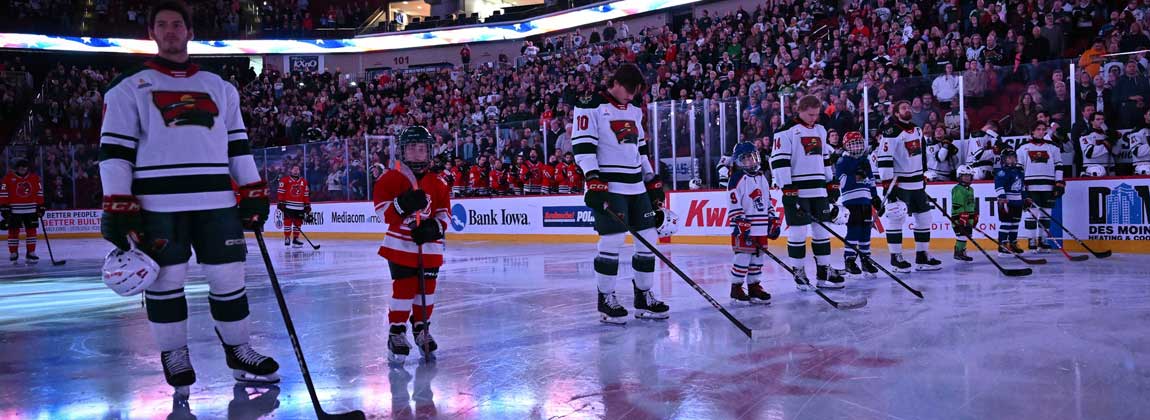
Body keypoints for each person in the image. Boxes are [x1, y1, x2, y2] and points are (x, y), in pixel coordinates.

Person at [98, 1, 277, 394]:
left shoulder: (220, 86)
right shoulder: (128, 87)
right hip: (157, 207)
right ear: (151, 33)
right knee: (166, 281)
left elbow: (238, 146)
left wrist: (253, 190)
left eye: (177, 24)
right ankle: (174, 353)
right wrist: (117, 204)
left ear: (190, 31)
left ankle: (239, 349)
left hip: (217, 203)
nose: (170, 31)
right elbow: (114, 152)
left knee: (229, 276)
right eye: (162, 25)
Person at [572, 63, 669, 324]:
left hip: (636, 185)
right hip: (609, 185)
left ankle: (644, 296)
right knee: (612, 241)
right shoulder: (590, 105)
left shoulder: (635, 110)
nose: (631, 95)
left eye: (635, 91)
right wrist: (592, 178)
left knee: (648, 240)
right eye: (629, 89)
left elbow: (640, 149)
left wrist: (651, 178)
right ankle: (606, 298)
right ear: (615, 82)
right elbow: (582, 147)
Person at [371, 126, 450, 363]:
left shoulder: (438, 181)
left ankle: (421, 329)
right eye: (412, 149)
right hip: (399, 247)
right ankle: (396, 332)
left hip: (430, 248)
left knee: (426, 291)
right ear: (402, 151)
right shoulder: (391, 178)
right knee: (404, 289)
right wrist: (401, 204)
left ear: (429, 152)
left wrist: (433, 228)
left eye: (422, 149)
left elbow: (444, 212)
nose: (417, 154)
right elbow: (382, 211)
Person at [770, 95, 846, 289]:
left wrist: (831, 181)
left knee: (822, 231)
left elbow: (825, 157)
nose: (814, 118)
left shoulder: (820, 130)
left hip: (819, 189)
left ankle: (824, 272)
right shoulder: (785, 132)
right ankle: (799, 272)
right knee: (798, 232)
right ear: (800, 110)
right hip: (797, 190)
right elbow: (779, 162)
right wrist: (787, 187)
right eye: (810, 114)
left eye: (816, 114)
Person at [876, 100, 943, 272]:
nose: (908, 110)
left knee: (925, 218)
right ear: (896, 113)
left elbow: (922, 157)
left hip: (917, 183)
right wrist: (887, 185)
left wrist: (923, 176)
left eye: (908, 107)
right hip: (900, 184)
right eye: (903, 108)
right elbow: (884, 159)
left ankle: (922, 256)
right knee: (897, 219)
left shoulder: (918, 130)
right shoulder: (891, 132)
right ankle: (896, 258)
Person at [726, 141, 779, 304]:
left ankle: (754, 286)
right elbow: (733, 202)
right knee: (743, 257)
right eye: (747, 158)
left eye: (753, 157)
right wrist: (740, 221)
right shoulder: (736, 178)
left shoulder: (762, 177)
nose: (751, 161)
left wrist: (772, 218)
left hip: (761, 226)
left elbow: (768, 201)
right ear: (739, 161)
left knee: (758, 259)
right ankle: (736, 288)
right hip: (744, 227)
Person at [833, 132, 881, 277]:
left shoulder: (865, 161)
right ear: (846, 146)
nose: (857, 147)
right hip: (851, 201)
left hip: (865, 200)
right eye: (853, 144)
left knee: (866, 230)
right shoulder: (843, 161)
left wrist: (875, 197)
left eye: (859, 143)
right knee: (854, 230)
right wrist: (855, 177)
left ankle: (865, 260)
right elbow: (840, 181)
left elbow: (871, 180)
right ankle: (850, 259)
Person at [1015, 122, 1064, 253]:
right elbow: (1019, 169)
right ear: (1032, 131)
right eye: (1038, 129)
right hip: (1031, 186)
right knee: (1032, 214)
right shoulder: (1023, 148)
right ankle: (1031, 240)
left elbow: (1059, 166)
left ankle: (1043, 240)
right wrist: (1021, 187)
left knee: (1046, 215)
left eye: (1043, 129)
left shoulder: (1053, 147)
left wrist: (1059, 183)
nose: (1041, 132)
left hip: (1048, 186)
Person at [2, 159, 45, 263]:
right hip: (15, 210)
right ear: (17, 167)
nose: (23, 168)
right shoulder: (8, 178)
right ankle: (13, 252)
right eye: (21, 166)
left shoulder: (34, 178)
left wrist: (41, 206)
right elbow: (3, 193)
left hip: (31, 209)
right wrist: (4, 206)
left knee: (31, 231)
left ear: (27, 168)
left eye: (25, 166)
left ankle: (31, 252)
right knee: (13, 232)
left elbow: (39, 192)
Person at [995, 149, 1026, 255]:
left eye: (1013, 157)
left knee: (1015, 224)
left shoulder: (1019, 171)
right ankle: (1002, 245)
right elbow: (999, 186)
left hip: (1017, 202)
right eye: (1009, 158)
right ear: (1004, 160)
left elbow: (1022, 187)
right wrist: (1002, 198)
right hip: (1006, 202)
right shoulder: (1002, 172)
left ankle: (1013, 244)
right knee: (1006, 223)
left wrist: (1025, 198)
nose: (1012, 160)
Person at [276, 165, 310, 248]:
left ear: (299, 171)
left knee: (298, 223)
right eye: (294, 169)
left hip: (300, 206)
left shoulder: (303, 181)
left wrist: (307, 204)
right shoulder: (284, 180)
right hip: (288, 205)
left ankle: (295, 238)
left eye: (297, 169)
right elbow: (281, 192)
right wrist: (281, 202)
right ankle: (287, 237)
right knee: (287, 222)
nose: (296, 170)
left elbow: (306, 194)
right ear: (290, 170)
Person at [950, 165, 978, 262]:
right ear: (959, 176)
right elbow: (957, 204)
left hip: (968, 217)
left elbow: (971, 203)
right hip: (959, 218)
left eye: (969, 176)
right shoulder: (957, 189)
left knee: (967, 235)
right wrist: (961, 216)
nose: (967, 178)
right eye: (964, 176)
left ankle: (962, 251)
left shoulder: (970, 189)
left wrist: (974, 215)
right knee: (962, 235)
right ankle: (958, 252)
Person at [1079, 112, 1116, 176]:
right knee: (1098, 172)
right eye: (1098, 119)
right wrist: (1107, 144)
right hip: (1092, 168)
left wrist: (1115, 139)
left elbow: (1116, 152)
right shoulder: (1086, 135)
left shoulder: (1109, 135)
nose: (1101, 121)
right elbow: (1089, 153)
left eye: (1102, 119)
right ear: (1091, 121)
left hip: (1110, 168)